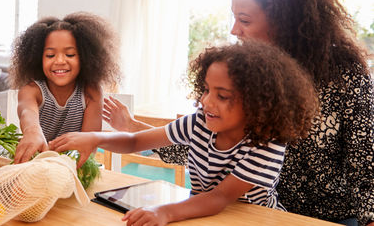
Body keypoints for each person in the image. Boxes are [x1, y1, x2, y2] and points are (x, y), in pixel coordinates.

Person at [50, 42, 318, 225]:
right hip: (205, 213)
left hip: (255, 219)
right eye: (206, 90)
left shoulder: (267, 146)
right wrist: (95, 138)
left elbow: (219, 197)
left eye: (222, 96)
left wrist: (163, 213)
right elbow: (135, 140)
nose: (207, 102)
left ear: (259, 103)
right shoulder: (199, 122)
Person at [232, 0, 374, 226]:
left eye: (244, 20)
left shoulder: (345, 72)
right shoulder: (249, 73)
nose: (234, 30)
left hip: (333, 218)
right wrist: (138, 132)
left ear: (283, 22)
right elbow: (215, 142)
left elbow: (364, 161)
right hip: (265, 214)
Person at [9, 12, 121, 163]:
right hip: (36, 165)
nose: (60, 61)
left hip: (73, 166)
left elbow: (88, 145)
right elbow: (27, 112)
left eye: (70, 54)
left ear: (85, 58)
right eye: (50, 55)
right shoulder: (32, 91)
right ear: (37, 58)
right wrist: (32, 130)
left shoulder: (91, 92)